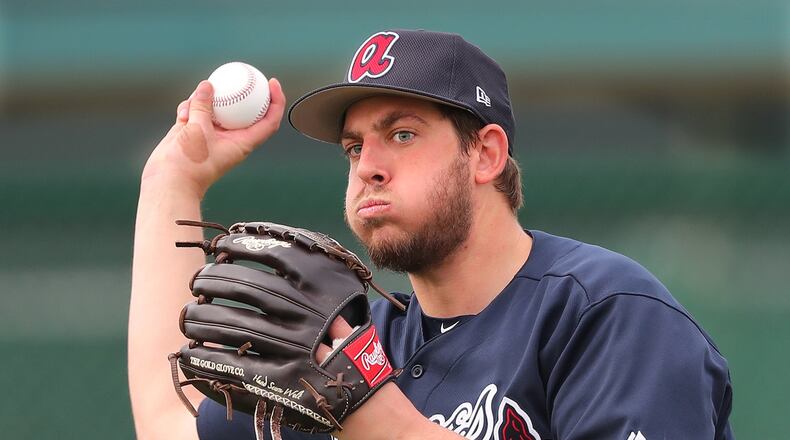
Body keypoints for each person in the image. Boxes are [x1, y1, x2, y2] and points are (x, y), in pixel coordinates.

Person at [129, 29, 734, 440]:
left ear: (485, 154)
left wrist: (381, 420)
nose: (368, 164)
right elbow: (170, 422)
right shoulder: (358, 347)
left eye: (403, 134)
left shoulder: (606, 314)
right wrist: (171, 180)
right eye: (354, 146)